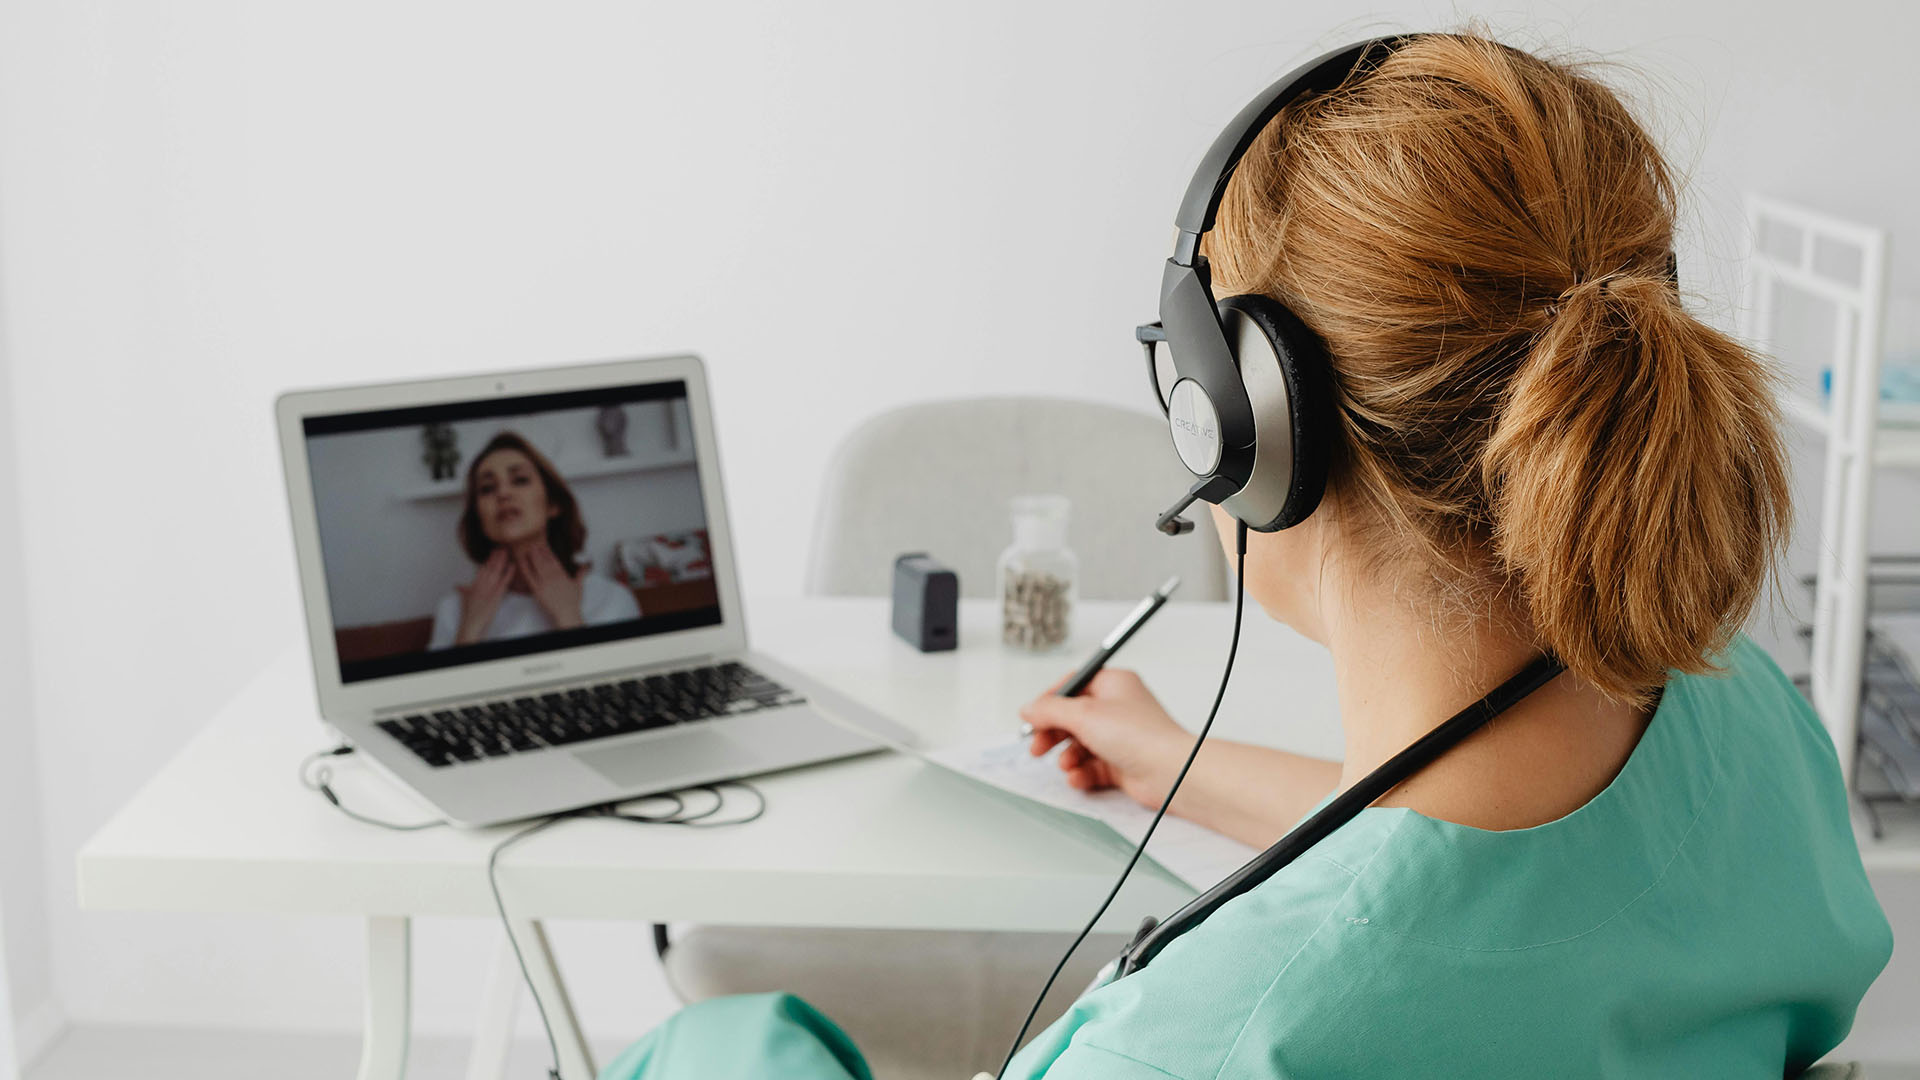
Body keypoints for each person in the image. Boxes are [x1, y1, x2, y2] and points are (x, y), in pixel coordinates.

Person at [599, 32, 1891, 1079]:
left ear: (1253, 426)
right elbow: (1494, 880)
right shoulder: (1744, 716)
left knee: (725, 1040)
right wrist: (1177, 765)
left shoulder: (1215, 1041)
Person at [427, 431, 639, 649]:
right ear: (479, 517)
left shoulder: (612, 600)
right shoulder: (454, 611)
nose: (503, 493)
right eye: (487, 488)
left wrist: (569, 619)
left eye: (519, 480)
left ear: (553, 504)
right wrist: (469, 630)